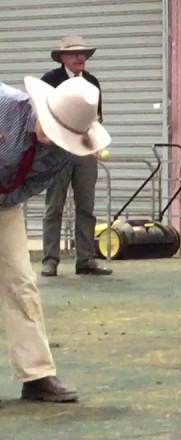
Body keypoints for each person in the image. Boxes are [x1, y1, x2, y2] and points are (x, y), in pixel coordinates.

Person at [1, 75, 111, 401]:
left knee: (22, 283)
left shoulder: (66, 150)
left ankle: (36, 375)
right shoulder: (4, 106)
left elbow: (28, 185)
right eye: (53, 130)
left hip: (6, 203)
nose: (55, 140)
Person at [40, 35, 110, 277]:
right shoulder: (50, 80)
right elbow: (41, 114)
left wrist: (96, 146)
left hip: (85, 149)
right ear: (63, 58)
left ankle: (86, 259)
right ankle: (50, 260)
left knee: (86, 207)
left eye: (84, 54)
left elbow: (97, 119)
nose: (81, 57)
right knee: (54, 207)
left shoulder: (93, 82)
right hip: (57, 150)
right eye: (75, 54)